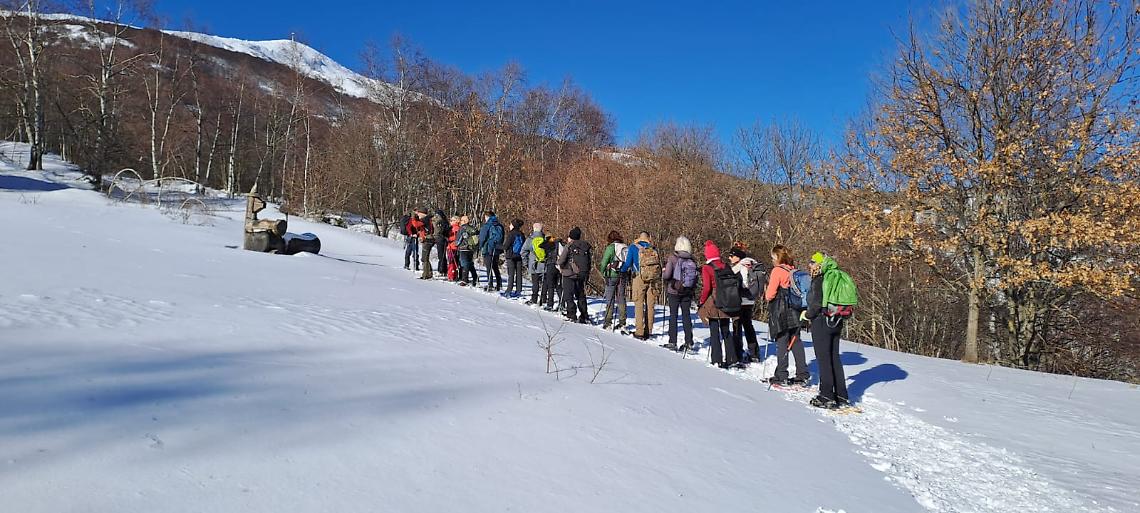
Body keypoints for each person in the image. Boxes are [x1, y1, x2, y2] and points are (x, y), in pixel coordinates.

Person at [804, 252, 857, 408]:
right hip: (836, 320)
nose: (810, 265)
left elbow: (815, 305)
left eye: (813, 262)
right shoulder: (836, 276)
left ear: (820, 264)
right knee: (834, 357)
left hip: (821, 321)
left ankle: (826, 395)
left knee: (823, 359)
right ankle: (842, 396)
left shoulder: (820, 280)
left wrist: (806, 315)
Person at [765, 245, 810, 385]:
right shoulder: (793, 270)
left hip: (781, 309)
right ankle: (802, 374)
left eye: (773, 257)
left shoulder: (777, 270)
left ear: (778, 257)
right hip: (796, 309)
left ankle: (782, 375)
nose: (772, 260)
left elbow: (770, 294)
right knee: (796, 341)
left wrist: (767, 293)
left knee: (782, 341)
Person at [697, 240, 738, 368]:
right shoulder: (726, 266)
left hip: (713, 301)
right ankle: (731, 358)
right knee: (726, 330)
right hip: (727, 300)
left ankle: (717, 358)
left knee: (714, 330)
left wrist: (701, 301)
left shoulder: (707, 268)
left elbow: (707, 288)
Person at [621, 232, 662, 340]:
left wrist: (622, 270)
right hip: (652, 279)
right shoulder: (653, 248)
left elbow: (628, 263)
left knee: (638, 304)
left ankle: (639, 331)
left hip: (639, 277)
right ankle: (649, 330)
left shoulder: (634, 247)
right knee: (650, 305)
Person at [661, 236, 697, 352]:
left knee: (673, 316)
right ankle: (689, 342)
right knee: (686, 316)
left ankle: (673, 341)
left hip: (674, 290)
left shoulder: (672, 258)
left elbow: (667, 275)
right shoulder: (692, 259)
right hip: (687, 291)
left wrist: (663, 274)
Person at [728, 243, 762, 363]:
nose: (730, 258)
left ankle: (738, 353)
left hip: (739, 300)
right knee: (748, 325)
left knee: (737, 325)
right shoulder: (753, 264)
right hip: (750, 300)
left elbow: (741, 283)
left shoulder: (740, 266)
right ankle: (754, 352)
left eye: (732, 255)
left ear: (738, 256)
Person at [557, 227, 592, 323]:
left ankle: (571, 314)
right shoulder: (585, 246)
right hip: (581, 274)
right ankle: (584, 315)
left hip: (569, 273)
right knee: (580, 295)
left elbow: (561, 260)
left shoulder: (569, 246)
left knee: (569, 295)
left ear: (571, 237)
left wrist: (559, 263)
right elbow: (589, 262)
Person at [598, 231, 628, 331]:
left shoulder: (611, 247)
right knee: (621, 298)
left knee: (610, 298)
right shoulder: (625, 246)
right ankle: (622, 322)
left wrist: (603, 272)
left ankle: (608, 322)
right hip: (623, 275)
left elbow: (604, 262)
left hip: (611, 275)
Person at [519, 223, 546, 305]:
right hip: (544, 264)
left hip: (534, 264)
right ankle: (543, 300)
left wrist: (526, 263)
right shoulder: (545, 239)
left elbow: (523, 252)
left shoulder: (530, 239)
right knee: (544, 283)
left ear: (534, 229)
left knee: (535, 283)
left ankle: (534, 299)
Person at [478, 211, 504, 292]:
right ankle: (499, 284)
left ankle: (490, 284)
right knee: (495, 267)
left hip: (488, 248)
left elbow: (482, 238)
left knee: (489, 267)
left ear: (487, 217)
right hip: (496, 249)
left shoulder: (486, 226)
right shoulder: (499, 225)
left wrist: (480, 246)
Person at [502, 218, 526, 298]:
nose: (509, 225)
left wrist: (497, 246)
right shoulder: (522, 234)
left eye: (511, 224)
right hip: (519, 256)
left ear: (513, 225)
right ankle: (518, 290)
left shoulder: (511, 234)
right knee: (519, 274)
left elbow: (506, 246)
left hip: (511, 256)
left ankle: (509, 290)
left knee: (511, 274)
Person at [455, 215, 479, 287]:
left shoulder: (462, 228)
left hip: (463, 248)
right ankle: (475, 278)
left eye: (461, 220)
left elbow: (459, 239)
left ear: (465, 221)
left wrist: (456, 244)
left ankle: (465, 280)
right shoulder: (472, 228)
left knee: (464, 264)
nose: (460, 222)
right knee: (470, 263)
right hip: (471, 248)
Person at [540, 235, 562, 311]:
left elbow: (541, 245)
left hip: (550, 265)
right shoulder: (560, 244)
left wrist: (547, 240)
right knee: (558, 285)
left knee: (550, 286)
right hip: (558, 266)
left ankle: (550, 304)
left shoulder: (549, 244)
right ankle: (562, 303)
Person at [418, 208, 435, 280]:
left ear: (423, 213)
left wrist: (413, 218)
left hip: (427, 239)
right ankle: (429, 273)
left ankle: (426, 274)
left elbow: (416, 224)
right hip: (429, 239)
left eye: (419, 213)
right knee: (426, 257)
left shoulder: (425, 219)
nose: (418, 214)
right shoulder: (428, 219)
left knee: (424, 258)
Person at [433, 209, 449, 276]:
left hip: (441, 239)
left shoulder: (440, 221)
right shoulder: (445, 221)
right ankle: (443, 270)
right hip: (442, 239)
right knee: (442, 255)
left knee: (441, 255)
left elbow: (440, 230)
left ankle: (441, 270)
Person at [446, 216, 461, 281]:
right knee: (454, 262)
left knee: (451, 262)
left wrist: (448, 239)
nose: (450, 221)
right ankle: (454, 275)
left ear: (456, 221)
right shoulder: (452, 228)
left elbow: (455, 238)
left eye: (452, 220)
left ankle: (451, 276)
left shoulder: (455, 228)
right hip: (452, 247)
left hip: (452, 247)